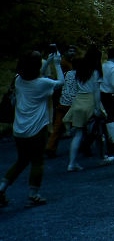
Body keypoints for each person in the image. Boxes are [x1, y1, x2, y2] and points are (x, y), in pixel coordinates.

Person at [0, 51, 64, 207]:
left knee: (21, 161)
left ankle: (1, 189)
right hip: (37, 129)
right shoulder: (44, 84)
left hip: (19, 129)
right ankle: (33, 194)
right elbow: (61, 82)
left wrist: (47, 63)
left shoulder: (18, 80)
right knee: (37, 161)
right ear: (37, 67)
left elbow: (35, 77)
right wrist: (56, 63)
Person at [63, 46, 113, 171]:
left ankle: (71, 163)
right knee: (99, 132)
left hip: (79, 101)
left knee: (78, 134)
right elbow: (96, 92)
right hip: (91, 102)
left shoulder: (79, 70)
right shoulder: (96, 72)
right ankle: (102, 157)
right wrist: (98, 108)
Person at [100, 47, 114, 122]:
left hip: (101, 94)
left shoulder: (103, 66)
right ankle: (111, 133)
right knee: (111, 118)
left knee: (103, 117)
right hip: (110, 96)